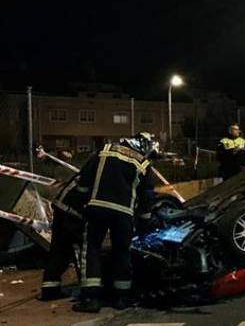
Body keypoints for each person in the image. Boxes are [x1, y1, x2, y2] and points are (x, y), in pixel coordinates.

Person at [73, 132, 158, 313]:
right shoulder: (143, 163)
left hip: (97, 208)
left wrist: (80, 202)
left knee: (92, 249)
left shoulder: (104, 151)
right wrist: (145, 219)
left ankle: (91, 298)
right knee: (122, 251)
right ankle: (122, 297)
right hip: (124, 213)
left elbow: (83, 180)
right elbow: (147, 196)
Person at [39, 173, 90, 301]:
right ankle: (88, 291)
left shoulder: (95, 163)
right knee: (84, 250)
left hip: (61, 207)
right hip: (73, 213)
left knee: (60, 249)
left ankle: (49, 289)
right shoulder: (107, 167)